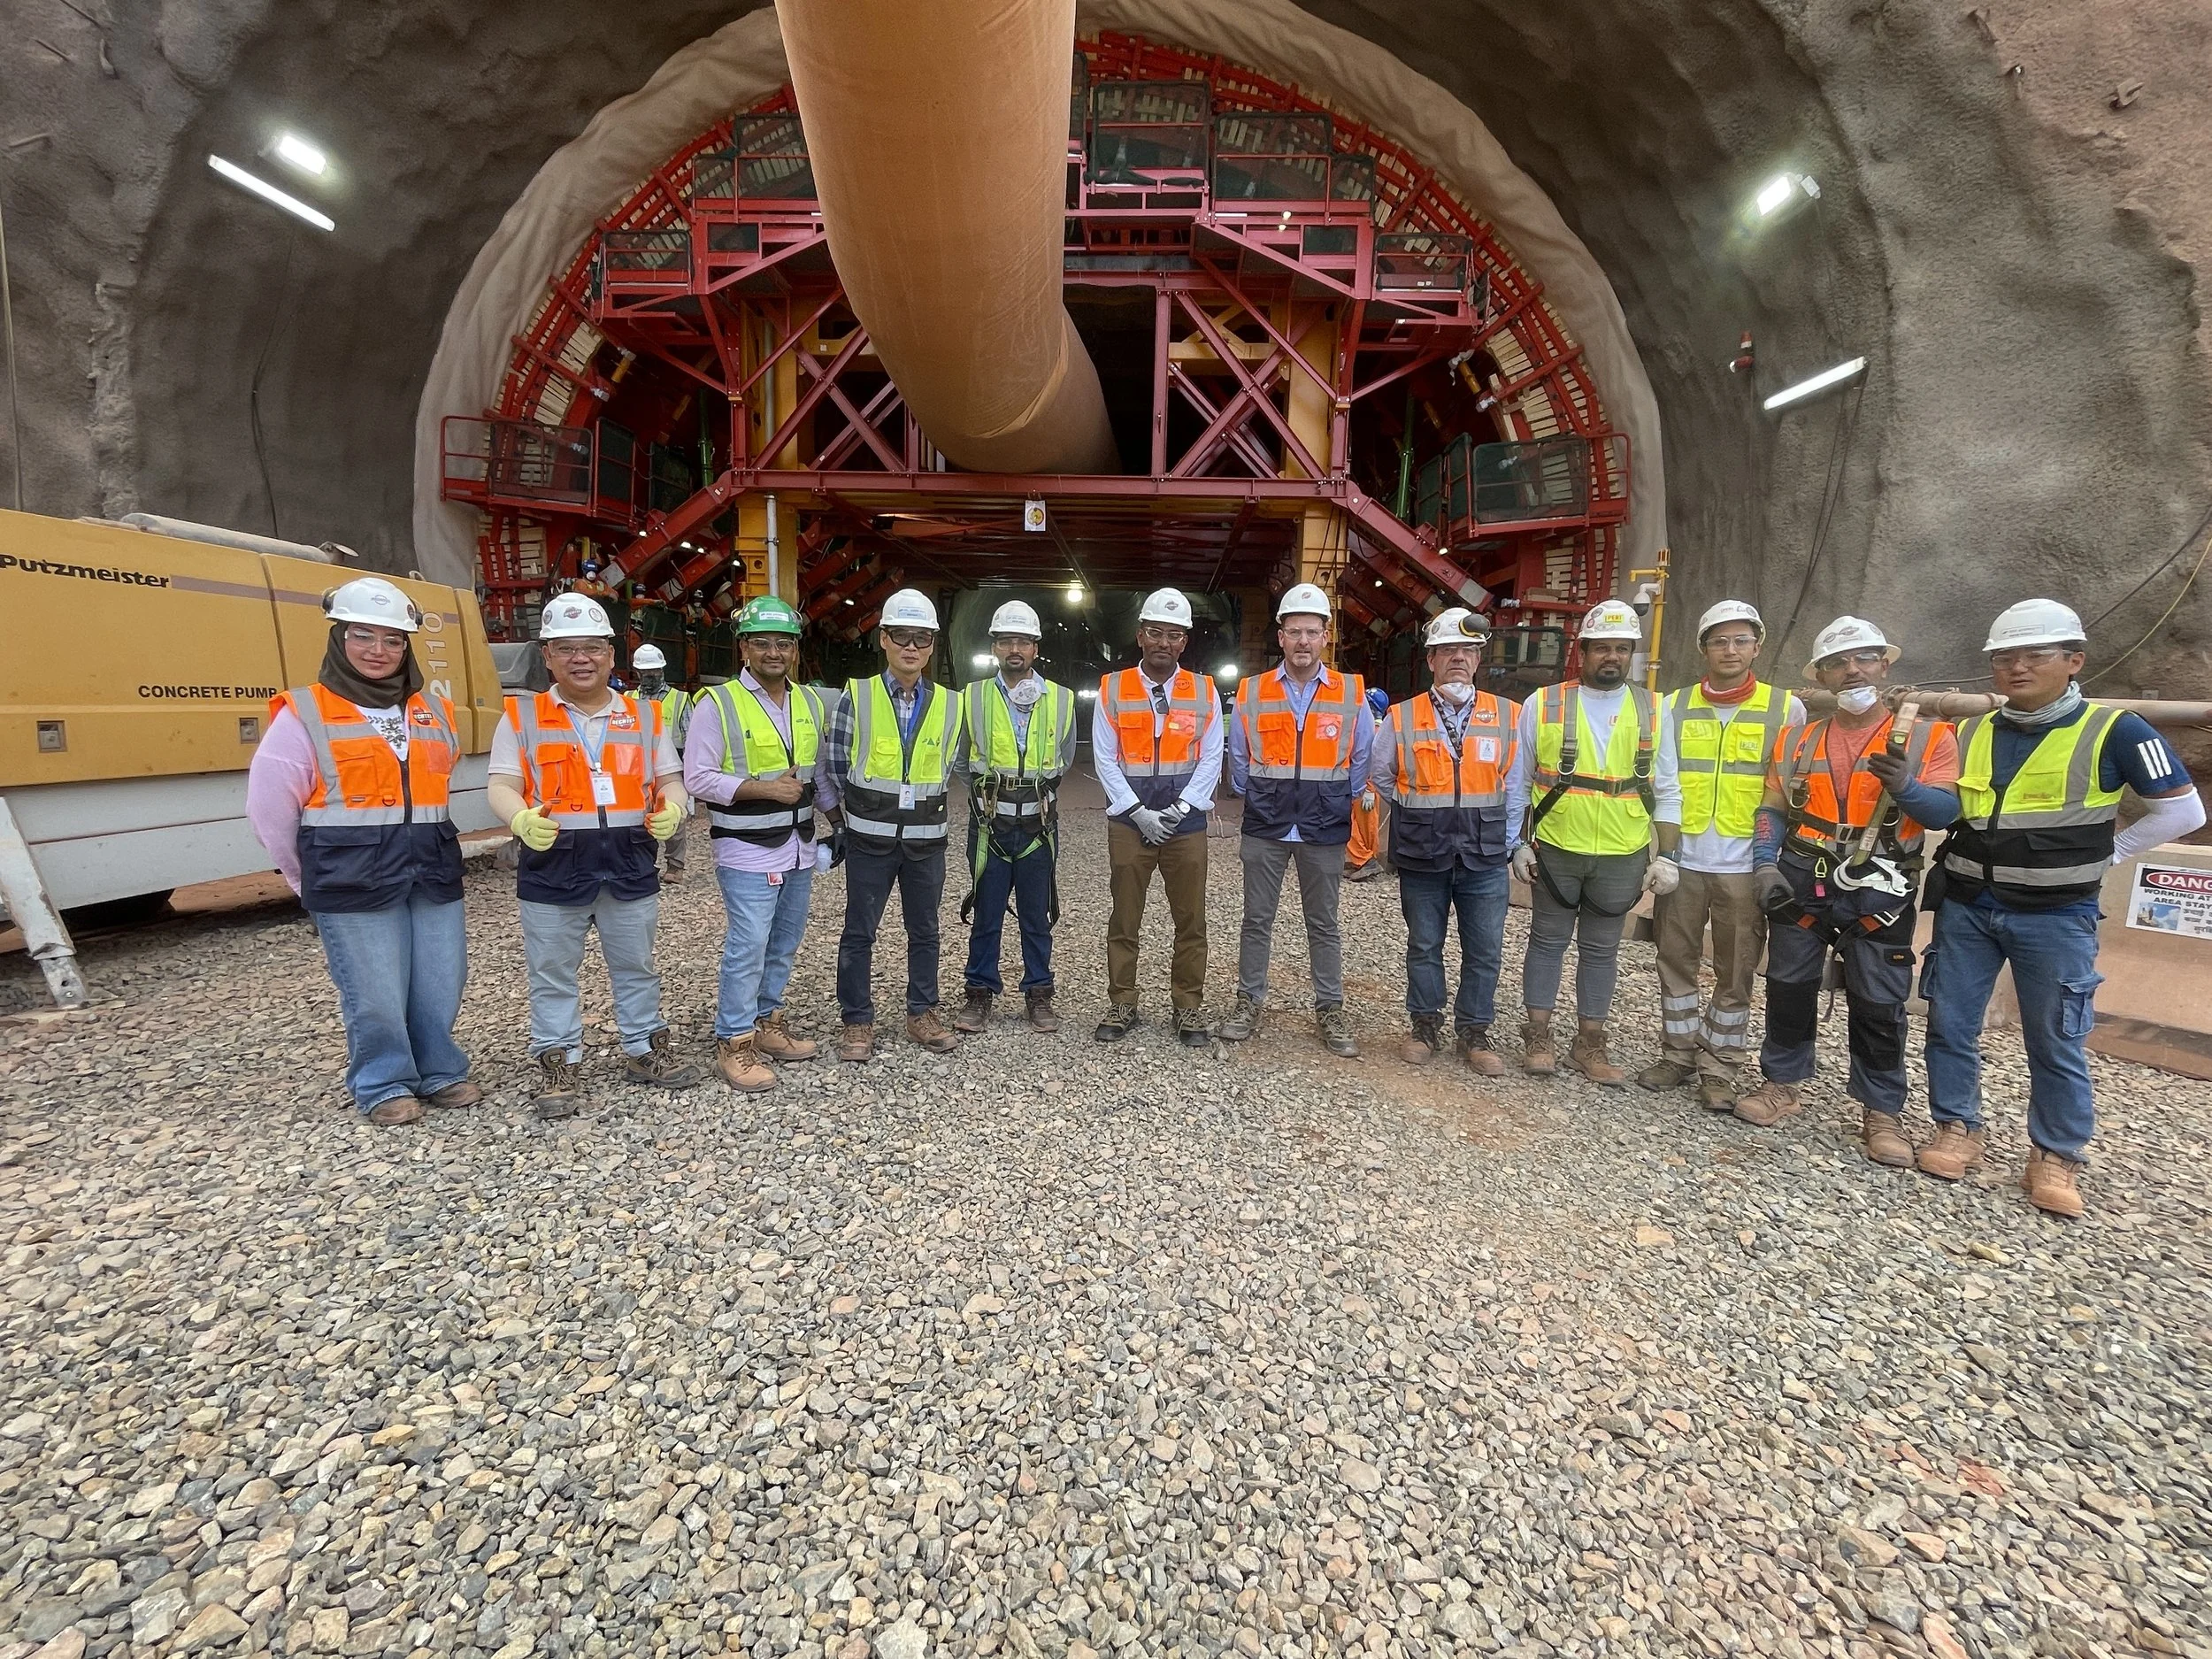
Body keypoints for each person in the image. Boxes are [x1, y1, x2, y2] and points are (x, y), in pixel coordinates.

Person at [1918, 599, 2203, 1217]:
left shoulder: (2117, 729)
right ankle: (1956, 1125)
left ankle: (2056, 1152)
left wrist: (2111, 854)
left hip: (2055, 914)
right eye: (2003, 657)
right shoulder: (1972, 730)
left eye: (2034, 655)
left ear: (2073, 661)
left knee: (2055, 1035)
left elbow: (2183, 811)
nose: (2016, 667)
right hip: (1969, 901)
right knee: (1950, 1020)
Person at [248, 577, 478, 1126]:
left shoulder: (431, 709)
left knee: (441, 978)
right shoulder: (305, 713)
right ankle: (383, 1080)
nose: (379, 650)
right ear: (338, 639)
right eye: (363, 635)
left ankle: (439, 1068)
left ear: (407, 647)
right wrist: (303, 876)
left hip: (429, 868)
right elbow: (270, 808)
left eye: (393, 640)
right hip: (350, 874)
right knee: (374, 988)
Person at [1733, 616, 1959, 1168]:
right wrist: (1765, 866)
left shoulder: (1930, 737)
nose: (1852, 669)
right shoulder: (1800, 737)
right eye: (1839, 662)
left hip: (1882, 884)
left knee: (1880, 997)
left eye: (1863, 659)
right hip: (1804, 873)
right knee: (1788, 983)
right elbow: (1774, 808)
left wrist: (1906, 787)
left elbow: (1948, 811)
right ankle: (1782, 1081)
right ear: (1825, 675)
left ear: (1885, 664)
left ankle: (1882, 1109)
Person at [487, 592, 701, 1118]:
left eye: (592, 648)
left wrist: (675, 809)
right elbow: (501, 784)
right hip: (554, 860)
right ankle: (558, 1057)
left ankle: (644, 1047)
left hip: (628, 860)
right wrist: (517, 819)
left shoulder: (645, 716)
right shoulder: (521, 717)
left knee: (637, 965)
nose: (580, 659)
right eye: (566, 649)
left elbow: (670, 780)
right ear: (548, 656)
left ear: (611, 654)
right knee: (553, 969)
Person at [1503, 600, 1680, 1083]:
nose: (1612, 657)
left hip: (1622, 853)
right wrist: (1514, 844)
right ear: (1583, 652)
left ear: (1632, 655)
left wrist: (1668, 857)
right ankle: (1538, 1035)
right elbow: (1518, 782)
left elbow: (1666, 788)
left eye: (1622, 649)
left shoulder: (1653, 708)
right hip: (1558, 846)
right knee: (1546, 942)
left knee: (1602, 950)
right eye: (1602, 647)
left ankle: (1591, 1044)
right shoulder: (1545, 704)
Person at [1641, 601, 1805, 1110]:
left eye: (1740, 641)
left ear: (1757, 647)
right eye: (1719, 641)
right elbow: (1664, 781)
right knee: (1675, 961)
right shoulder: (1674, 705)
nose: (1729, 650)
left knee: (1736, 970)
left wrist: (1768, 860)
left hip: (1744, 865)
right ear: (1703, 649)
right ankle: (1678, 1053)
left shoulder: (1786, 710)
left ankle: (1719, 1066)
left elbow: (1784, 792)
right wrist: (1666, 854)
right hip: (1686, 861)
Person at [1220, 583, 1374, 1057]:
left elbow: (1361, 759)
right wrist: (1264, 794)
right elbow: (1239, 758)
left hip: (1323, 826)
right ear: (1281, 636)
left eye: (1312, 631)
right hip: (1266, 822)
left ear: (1325, 636)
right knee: (1256, 920)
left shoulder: (1351, 692)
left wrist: (1328, 799)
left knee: (1324, 922)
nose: (1303, 641)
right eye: (1295, 632)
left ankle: (1330, 1006)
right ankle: (1249, 1001)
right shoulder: (1253, 691)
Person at [682, 595, 828, 1092]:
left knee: (784, 944)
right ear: (744, 647)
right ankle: (734, 1040)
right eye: (762, 642)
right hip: (746, 850)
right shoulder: (717, 704)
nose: (773, 652)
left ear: (794, 650)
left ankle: (767, 1024)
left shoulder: (807, 701)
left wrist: (838, 819)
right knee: (748, 946)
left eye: (783, 643)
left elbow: (817, 774)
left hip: (799, 846)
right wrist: (764, 788)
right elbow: (697, 778)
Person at [817, 587, 965, 1062]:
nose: (911, 647)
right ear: (883, 639)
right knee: (860, 932)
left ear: (931, 645)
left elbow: (953, 763)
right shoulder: (856, 696)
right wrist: (853, 817)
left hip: (926, 842)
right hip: (869, 839)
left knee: (925, 931)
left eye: (921, 638)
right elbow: (837, 765)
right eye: (901, 636)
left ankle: (921, 1012)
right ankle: (857, 1021)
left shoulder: (950, 703)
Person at [1371, 608, 1518, 1074]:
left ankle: (1474, 1030)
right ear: (1431, 659)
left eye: (1467, 651)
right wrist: (1422, 810)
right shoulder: (1401, 716)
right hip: (1423, 852)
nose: (1458, 658)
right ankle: (1424, 1024)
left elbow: (1515, 785)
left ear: (1478, 659)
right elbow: (1381, 775)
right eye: (1448, 650)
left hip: (1484, 853)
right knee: (1424, 943)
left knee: (1485, 949)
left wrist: (1512, 842)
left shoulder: (1509, 715)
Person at [1094, 587, 1224, 1047]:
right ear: (1140, 635)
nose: (1163, 642)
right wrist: (1137, 811)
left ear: (1184, 641)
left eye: (1173, 635)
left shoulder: (1205, 691)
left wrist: (1182, 808)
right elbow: (1105, 759)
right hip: (1130, 824)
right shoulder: (1113, 688)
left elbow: (1212, 757)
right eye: (1155, 633)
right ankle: (1122, 1002)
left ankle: (1187, 1007)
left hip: (1184, 826)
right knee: (1125, 918)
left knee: (1191, 921)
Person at [955, 599, 1078, 1033]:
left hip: (1038, 826)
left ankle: (1039, 992)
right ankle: (979, 992)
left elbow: (1063, 758)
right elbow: (960, 758)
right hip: (990, 823)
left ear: (1035, 647)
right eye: (1006, 640)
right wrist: (989, 794)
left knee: (1036, 913)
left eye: (1023, 641)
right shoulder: (972, 697)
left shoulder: (1060, 700)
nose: (1014, 649)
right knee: (987, 912)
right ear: (995, 647)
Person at [633, 643, 692, 885]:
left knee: (673, 818)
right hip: (635, 769)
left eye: (654, 671)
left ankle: (675, 866)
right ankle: (644, 864)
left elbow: (690, 738)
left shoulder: (679, 699)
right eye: (645, 672)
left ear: (662, 670)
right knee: (637, 819)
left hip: (670, 768)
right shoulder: (628, 699)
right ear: (637, 672)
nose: (650, 676)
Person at [1345, 685, 1394, 882]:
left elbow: (1374, 762)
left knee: (1348, 824)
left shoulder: (1371, 730)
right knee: (1367, 828)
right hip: (1370, 787)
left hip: (1366, 786)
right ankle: (1365, 860)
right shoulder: (1379, 729)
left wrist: (1368, 789)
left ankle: (1366, 861)